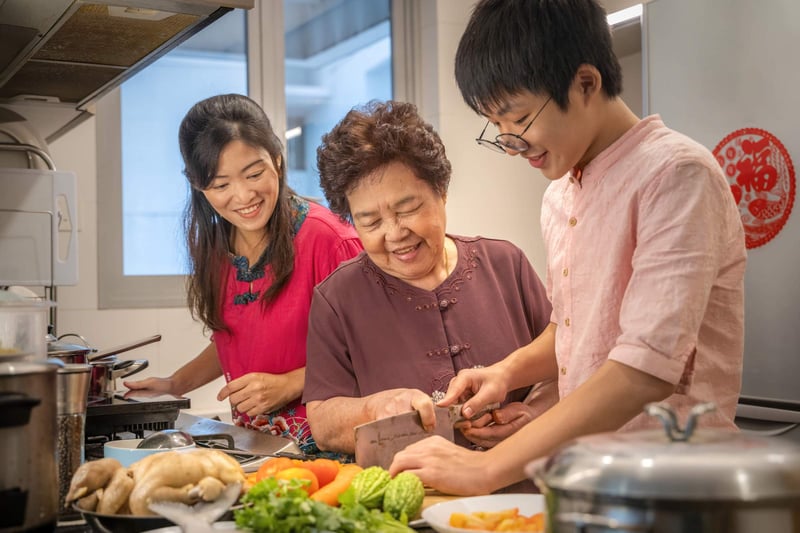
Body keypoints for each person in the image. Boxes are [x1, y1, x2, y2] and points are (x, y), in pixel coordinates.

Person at [389, 0, 746, 495]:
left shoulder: (677, 175)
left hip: (674, 486)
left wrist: (486, 469)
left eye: (517, 119)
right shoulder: (559, 194)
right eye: (497, 126)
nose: (510, 143)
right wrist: (506, 371)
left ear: (585, 83)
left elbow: (644, 370)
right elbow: (577, 327)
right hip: (588, 481)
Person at [303, 100, 557, 456]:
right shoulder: (337, 299)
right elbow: (324, 420)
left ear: (441, 192)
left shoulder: (504, 264)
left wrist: (534, 413)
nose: (394, 233)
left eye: (407, 209)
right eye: (371, 222)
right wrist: (374, 409)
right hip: (413, 498)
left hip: (522, 487)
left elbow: (563, 362)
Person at [124, 94, 363, 454]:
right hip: (261, 448)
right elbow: (234, 339)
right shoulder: (219, 248)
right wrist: (175, 384)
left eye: (254, 174)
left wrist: (291, 384)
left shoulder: (328, 238)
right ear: (198, 185)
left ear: (278, 162)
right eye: (221, 185)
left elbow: (372, 350)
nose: (243, 195)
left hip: (331, 451)